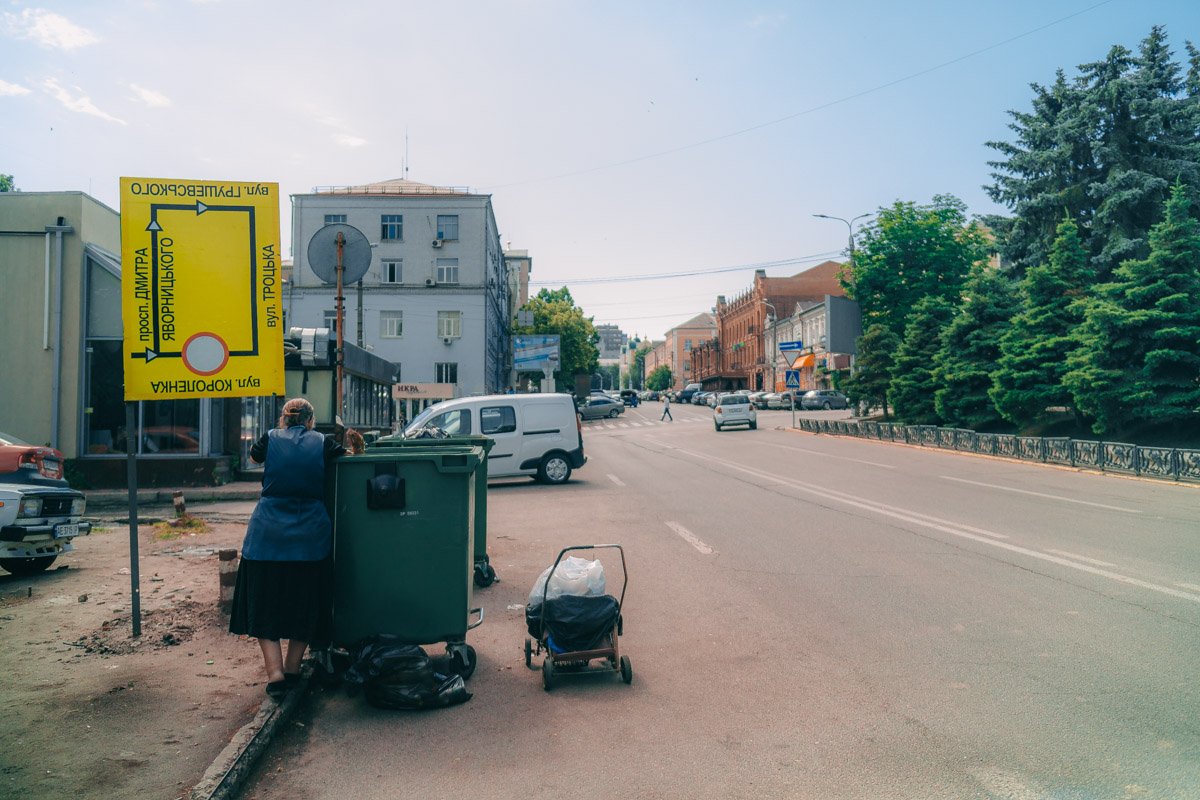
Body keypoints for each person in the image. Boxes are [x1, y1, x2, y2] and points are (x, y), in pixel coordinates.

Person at [229, 398, 345, 699]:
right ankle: (293, 669)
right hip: (309, 539)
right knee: (305, 604)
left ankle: (275, 675)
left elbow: (255, 458)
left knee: (263, 605)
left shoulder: (269, 437)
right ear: (310, 420)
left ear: (284, 419)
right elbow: (347, 455)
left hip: (267, 536)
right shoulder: (323, 442)